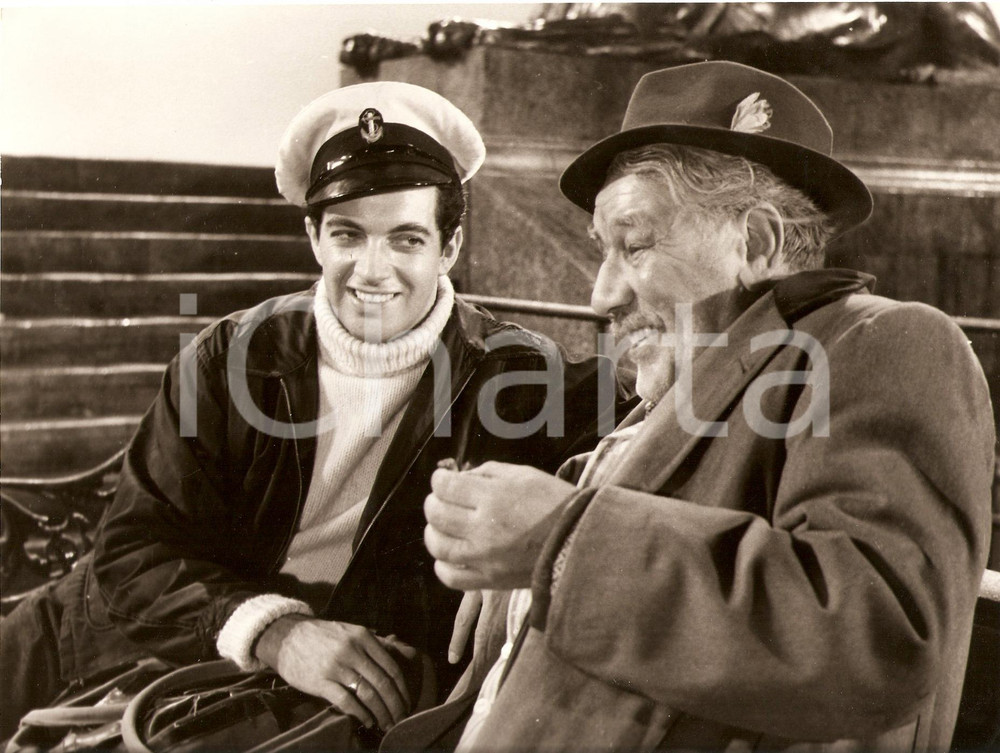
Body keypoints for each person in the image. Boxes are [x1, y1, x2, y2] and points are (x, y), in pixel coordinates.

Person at [384, 61, 996, 752]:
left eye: (635, 244)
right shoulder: (683, 388)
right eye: (602, 252)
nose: (600, 295)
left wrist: (560, 543)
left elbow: (879, 633)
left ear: (757, 243)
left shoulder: (886, 338)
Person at [0, 81, 622, 742]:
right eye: (347, 234)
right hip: (137, 640)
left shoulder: (530, 380)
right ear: (313, 237)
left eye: (406, 240)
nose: (371, 270)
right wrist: (276, 631)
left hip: (298, 705)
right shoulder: (229, 355)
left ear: (451, 247)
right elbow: (134, 548)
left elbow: (653, 470)